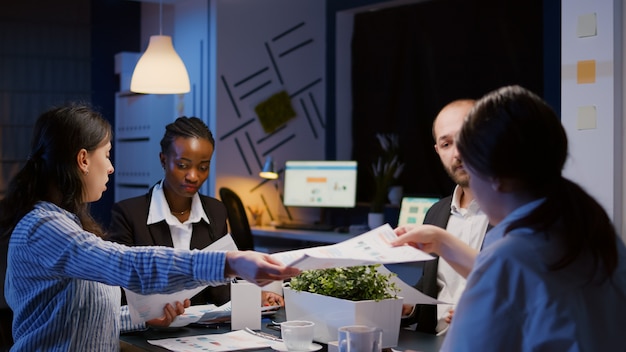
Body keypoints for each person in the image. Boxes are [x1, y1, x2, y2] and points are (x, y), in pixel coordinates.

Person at [0, 103, 300, 351]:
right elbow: (127, 263)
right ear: (83, 160)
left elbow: (82, 317)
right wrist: (229, 262)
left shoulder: (66, 224)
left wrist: (145, 318)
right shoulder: (44, 227)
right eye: (106, 154)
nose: (111, 166)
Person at [393, 85, 626, 351]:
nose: (458, 158)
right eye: (447, 144)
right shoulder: (594, 233)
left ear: (493, 174)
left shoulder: (508, 258)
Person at [106, 116, 283, 308]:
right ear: (163, 160)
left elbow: (220, 290)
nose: (193, 176)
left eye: (203, 167)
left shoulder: (216, 211)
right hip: (146, 331)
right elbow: (118, 293)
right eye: (183, 165)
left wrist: (256, 297)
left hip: (201, 332)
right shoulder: (129, 214)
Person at [401, 99, 489, 335]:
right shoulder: (436, 213)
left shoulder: (521, 214)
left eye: (466, 137)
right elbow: (434, 289)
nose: (457, 153)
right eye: (447, 144)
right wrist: (407, 306)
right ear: (438, 151)